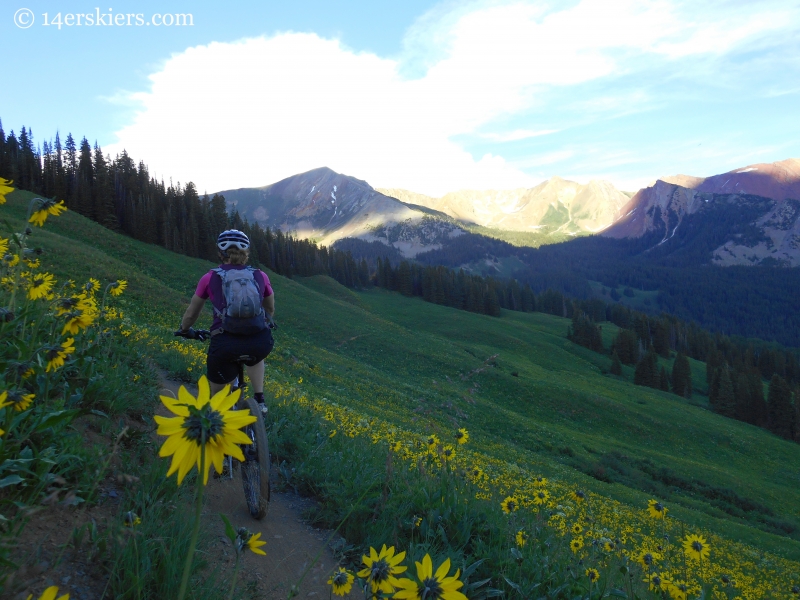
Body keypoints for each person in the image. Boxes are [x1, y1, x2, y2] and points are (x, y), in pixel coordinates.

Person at [178, 229, 275, 413]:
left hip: (225, 343)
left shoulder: (209, 277)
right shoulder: (260, 276)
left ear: (221, 253)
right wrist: (266, 322)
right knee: (255, 356)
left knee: (218, 400)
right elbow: (269, 308)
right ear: (246, 253)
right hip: (260, 341)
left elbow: (192, 313)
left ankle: (222, 419)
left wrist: (185, 329)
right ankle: (259, 399)